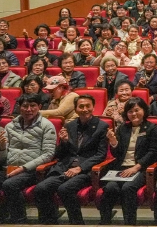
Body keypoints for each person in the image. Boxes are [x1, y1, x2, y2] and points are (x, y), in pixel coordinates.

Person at [0, 93, 56, 223]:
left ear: (39, 107)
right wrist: (2, 147)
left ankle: (19, 221)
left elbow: (48, 154)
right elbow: (1, 158)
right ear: (19, 107)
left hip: (31, 170)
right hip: (9, 168)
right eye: (25, 106)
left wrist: (23, 168)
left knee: (10, 184)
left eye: (32, 106)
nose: (29, 109)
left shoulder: (46, 126)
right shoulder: (10, 126)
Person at [34, 95, 109, 225]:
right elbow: (60, 154)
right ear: (75, 109)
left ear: (93, 107)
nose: (84, 109)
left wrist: (80, 168)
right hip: (65, 168)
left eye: (88, 106)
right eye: (81, 106)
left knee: (65, 189)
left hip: (85, 170)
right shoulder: (70, 125)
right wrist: (63, 142)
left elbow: (100, 155)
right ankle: (50, 221)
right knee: (41, 188)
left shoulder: (101, 126)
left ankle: (77, 223)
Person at [99, 97, 157, 225]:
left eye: (137, 110)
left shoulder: (151, 128)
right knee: (110, 187)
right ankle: (105, 221)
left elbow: (153, 152)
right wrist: (113, 142)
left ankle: (130, 223)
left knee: (128, 188)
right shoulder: (123, 128)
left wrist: (136, 167)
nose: (134, 114)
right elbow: (117, 154)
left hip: (141, 168)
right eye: (130, 111)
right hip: (121, 168)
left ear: (144, 110)